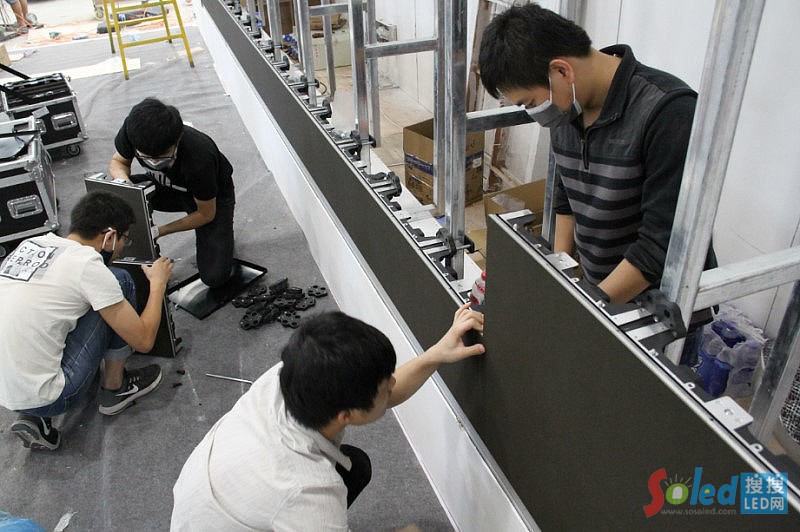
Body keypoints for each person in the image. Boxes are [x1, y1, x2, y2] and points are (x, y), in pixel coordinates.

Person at [478, 4, 716, 307]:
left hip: (659, 308)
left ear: (561, 71)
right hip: (602, 295)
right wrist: (562, 274)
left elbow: (661, 245)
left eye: (531, 103)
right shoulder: (567, 107)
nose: (536, 115)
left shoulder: (668, 112)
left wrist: (586, 309)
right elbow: (566, 195)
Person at [170, 304, 485, 530]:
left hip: (216, 498)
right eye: (385, 385)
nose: (393, 383)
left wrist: (435, 354)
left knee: (354, 467)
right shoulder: (307, 491)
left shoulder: (295, 372)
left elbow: (380, 395)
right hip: (219, 510)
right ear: (344, 415)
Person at [0, 191, 174, 451]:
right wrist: (158, 283)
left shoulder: (32, 244)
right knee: (119, 280)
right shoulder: (86, 265)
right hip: (55, 396)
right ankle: (116, 387)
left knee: (58, 310)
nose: (122, 247)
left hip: (6, 392)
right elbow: (145, 340)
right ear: (109, 237)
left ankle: (35, 415)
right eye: (124, 239)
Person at [109, 97, 236, 288]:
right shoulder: (133, 130)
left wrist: (160, 231)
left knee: (214, 277)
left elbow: (206, 214)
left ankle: (222, 237)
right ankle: (143, 255)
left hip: (210, 198)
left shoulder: (199, 158)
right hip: (165, 187)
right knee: (114, 196)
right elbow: (118, 162)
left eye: (162, 157)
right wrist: (127, 188)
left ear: (177, 140)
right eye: (146, 157)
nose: (154, 162)